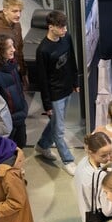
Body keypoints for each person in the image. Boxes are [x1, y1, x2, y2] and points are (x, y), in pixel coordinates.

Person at [33, 10, 80, 174]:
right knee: (59, 130)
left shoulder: (66, 38)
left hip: (67, 89)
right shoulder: (43, 50)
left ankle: (42, 145)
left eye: (65, 26)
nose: (65, 30)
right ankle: (68, 160)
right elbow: (42, 80)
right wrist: (47, 104)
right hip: (54, 95)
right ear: (51, 27)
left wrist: (75, 81)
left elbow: (72, 60)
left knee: (56, 124)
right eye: (61, 27)